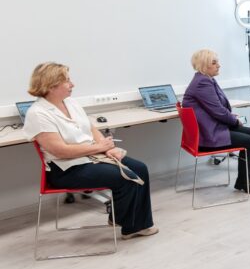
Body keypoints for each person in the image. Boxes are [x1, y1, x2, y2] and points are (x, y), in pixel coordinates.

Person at [23, 62, 157, 239]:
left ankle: (125, 219)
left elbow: (90, 128)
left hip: (92, 156)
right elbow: (60, 151)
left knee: (140, 168)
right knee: (126, 176)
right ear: (51, 86)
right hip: (66, 168)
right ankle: (131, 226)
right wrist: (99, 148)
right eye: (67, 81)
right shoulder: (38, 114)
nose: (72, 84)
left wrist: (107, 148)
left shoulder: (70, 103)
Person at [182, 49, 250, 194]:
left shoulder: (207, 79)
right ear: (204, 65)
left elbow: (217, 108)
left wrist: (231, 117)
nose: (219, 65)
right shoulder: (202, 83)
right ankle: (243, 181)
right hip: (207, 136)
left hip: (212, 128)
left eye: (217, 62)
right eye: (214, 63)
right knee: (249, 141)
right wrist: (235, 121)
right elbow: (218, 111)